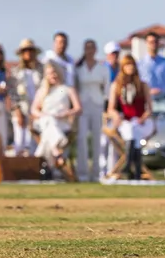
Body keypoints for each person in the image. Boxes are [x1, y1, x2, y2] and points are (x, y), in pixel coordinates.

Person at [107, 54, 153, 180]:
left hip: (141, 121)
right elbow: (111, 108)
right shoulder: (117, 86)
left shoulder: (143, 85)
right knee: (131, 130)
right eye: (127, 65)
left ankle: (128, 165)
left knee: (134, 130)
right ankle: (136, 170)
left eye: (132, 64)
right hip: (126, 122)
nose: (130, 68)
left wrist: (143, 118)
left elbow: (149, 108)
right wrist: (117, 116)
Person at [32, 61, 81, 179]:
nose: (52, 75)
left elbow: (78, 108)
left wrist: (66, 113)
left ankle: (48, 161)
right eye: (49, 73)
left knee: (50, 128)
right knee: (49, 120)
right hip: (44, 122)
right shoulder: (42, 90)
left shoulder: (67, 89)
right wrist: (42, 114)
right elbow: (33, 109)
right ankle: (57, 152)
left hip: (62, 123)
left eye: (54, 72)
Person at [75, 39, 110, 181]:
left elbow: (107, 89)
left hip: (98, 105)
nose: (89, 51)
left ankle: (97, 173)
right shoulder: (78, 68)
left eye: (92, 48)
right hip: (82, 106)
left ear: (96, 50)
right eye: (87, 48)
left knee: (98, 139)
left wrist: (106, 109)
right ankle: (82, 172)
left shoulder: (103, 69)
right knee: (82, 138)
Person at [8, 38, 43, 157]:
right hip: (21, 110)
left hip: (38, 111)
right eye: (25, 51)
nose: (28, 53)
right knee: (20, 141)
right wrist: (17, 110)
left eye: (31, 50)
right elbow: (12, 92)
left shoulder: (41, 70)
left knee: (34, 142)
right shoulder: (15, 72)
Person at [137, 32, 165, 104]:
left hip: (164, 101)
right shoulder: (139, 64)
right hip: (146, 100)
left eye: (155, 42)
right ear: (146, 43)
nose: (153, 44)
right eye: (151, 42)